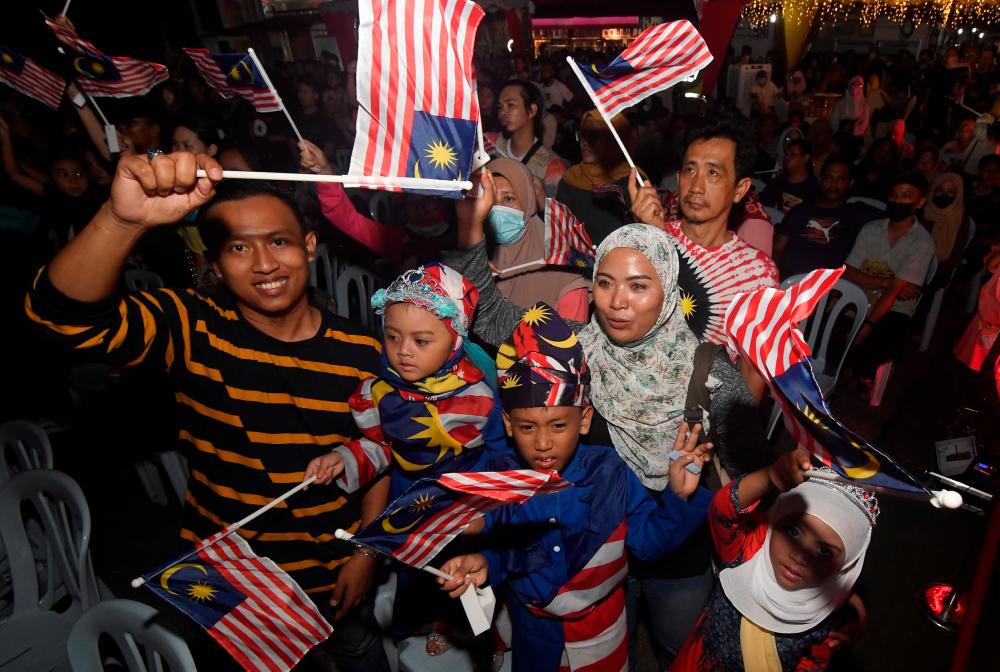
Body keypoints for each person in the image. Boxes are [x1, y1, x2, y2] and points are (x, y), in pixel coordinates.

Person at [24, 151, 390, 671]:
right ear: (215, 264)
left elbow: (384, 453)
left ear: (309, 247)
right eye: (239, 248)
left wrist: (367, 553)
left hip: (335, 570)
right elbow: (59, 320)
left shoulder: (363, 352)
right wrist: (121, 220)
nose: (264, 264)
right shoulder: (192, 327)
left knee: (357, 652)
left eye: (279, 242)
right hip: (229, 574)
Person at [444, 221, 773, 669]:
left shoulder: (713, 378)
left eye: (639, 286)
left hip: (676, 554)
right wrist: (470, 228)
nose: (617, 302)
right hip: (589, 553)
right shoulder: (573, 351)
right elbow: (489, 316)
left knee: (684, 653)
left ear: (669, 289)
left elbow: (749, 478)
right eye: (604, 282)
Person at [437, 305, 713, 672]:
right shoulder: (501, 480)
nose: (543, 444)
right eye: (527, 427)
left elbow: (649, 544)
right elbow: (506, 550)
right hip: (534, 635)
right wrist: (483, 563)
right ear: (507, 423)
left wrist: (680, 497)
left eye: (558, 425)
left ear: (584, 420)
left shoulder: (611, 473)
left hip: (602, 632)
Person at [303, 262, 509, 653]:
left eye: (421, 341)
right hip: (408, 499)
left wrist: (489, 508)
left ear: (454, 341)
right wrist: (341, 458)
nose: (403, 352)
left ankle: (476, 632)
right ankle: (426, 622)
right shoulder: (379, 393)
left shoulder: (478, 397)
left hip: (463, 503)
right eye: (393, 337)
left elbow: (501, 456)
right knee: (417, 571)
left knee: (463, 572)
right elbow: (377, 447)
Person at [671, 449, 876, 671]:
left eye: (824, 551)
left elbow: (812, 662)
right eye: (794, 532)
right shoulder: (749, 554)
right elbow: (724, 510)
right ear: (776, 518)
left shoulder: (831, 617)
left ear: (848, 566)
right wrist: (770, 476)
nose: (798, 557)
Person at [627, 115, 779, 399]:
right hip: (637, 395)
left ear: (740, 189)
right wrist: (648, 237)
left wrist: (730, 435)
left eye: (713, 173)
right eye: (689, 170)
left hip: (702, 416)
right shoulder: (653, 234)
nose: (696, 186)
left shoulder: (756, 273)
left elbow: (752, 371)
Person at [844, 173, 936, 397]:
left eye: (906, 196)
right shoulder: (871, 229)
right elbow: (848, 273)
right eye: (894, 195)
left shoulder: (922, 242)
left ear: (920, 202)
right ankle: (847, 365)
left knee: (886, 332)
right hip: (860, 294)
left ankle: (863, 371)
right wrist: (889, 282)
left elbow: (893, 295)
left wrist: (868, 325)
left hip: (895, 306)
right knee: (834, 321)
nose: (898, 201)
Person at [300, 140, 456, 269]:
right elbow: (344, 216)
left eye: (430, 199)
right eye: (412, 201)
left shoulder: (466, 241)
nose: (420, 207)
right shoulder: (396, 240)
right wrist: (324, 172)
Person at [476, 158, 591, 321]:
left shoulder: (565, 274)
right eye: (490, 200)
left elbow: (572, 342)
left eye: (508, 199)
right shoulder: (475, 259)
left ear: (528, 201)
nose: (498, 209)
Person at [773, 155, 878, 280]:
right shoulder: (800, 210)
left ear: (850, 183)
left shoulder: (856, 213)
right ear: (820, 180)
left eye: (840, 179)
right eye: (829, 177)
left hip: (825, 289)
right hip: (787, 282)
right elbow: (776, 249)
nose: (833, 184)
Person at [556, 109, 645, 244]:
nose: (584, 143)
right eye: (582, 135)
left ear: (614, 139)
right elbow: (559, 234)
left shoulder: (634, 180)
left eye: (593, 136)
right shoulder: (571, 179)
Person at [488, 80, 566, 196]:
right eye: (500, 107)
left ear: (531, 111)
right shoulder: (490, 143)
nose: (503, 112)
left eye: (510, 105)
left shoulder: (551, 166)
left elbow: (553, 212)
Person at [759, 139, 820, 215]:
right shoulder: (777, 182)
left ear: (805, 158)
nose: (787, 157)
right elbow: (762, 206)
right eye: (786, 154)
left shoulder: (813, 188)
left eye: (793, 154)